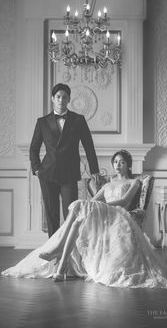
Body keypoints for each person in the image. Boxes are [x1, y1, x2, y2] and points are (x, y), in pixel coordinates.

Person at [2, 149, 167, 288]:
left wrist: (100, 207)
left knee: (81, 208)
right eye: (115, 162)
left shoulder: (135, 182)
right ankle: (62, 264)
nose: (118, 165)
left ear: (128, 164)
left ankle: (58, 252)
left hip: (117, 214)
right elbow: (91, 200)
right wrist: (93, 206)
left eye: (122, 162)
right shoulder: (106, 185)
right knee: (79, 208)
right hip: (102, 212)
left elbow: (124, 202)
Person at [29, 83, 99, 236]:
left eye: (64, 97)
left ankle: (69, 249)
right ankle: (54, 252)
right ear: (53, 99)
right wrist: (37, 169)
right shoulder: (42, 122)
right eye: (58, 97)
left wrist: (95, 170)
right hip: (47, 174)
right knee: (51, 215)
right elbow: (33, 148)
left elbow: (89, 146)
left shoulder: (78, 120)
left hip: (69, 174)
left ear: (69, 99)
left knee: (71, 214)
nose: (61, 100)